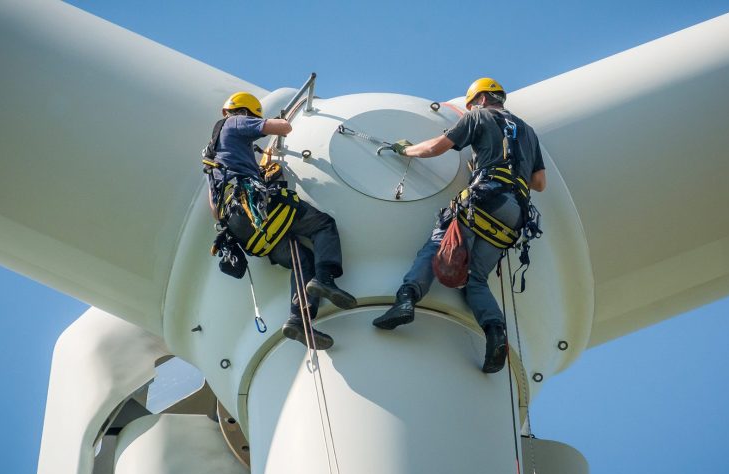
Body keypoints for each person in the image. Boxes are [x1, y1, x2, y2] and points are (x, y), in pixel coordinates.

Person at [372, 78, 546, 373]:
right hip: (515, 215)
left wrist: (406, 151)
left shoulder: (478, 116)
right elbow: (539, 183)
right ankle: (495, 333)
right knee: (475, 279)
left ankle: (406, 300)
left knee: (437, 246)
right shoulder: (528, 132)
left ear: (479, 100)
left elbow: (437, 148)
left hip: (484, 198)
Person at [204, 91, 357, 350]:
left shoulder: (211, 154)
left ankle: (298, 320)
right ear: (245, 112)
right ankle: (325, 279)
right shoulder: (236, 122)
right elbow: (282, 127)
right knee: (322, 224)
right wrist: (277, 122)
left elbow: (214, 209)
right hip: (256, 207)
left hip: (241, 226)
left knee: (301, 258)